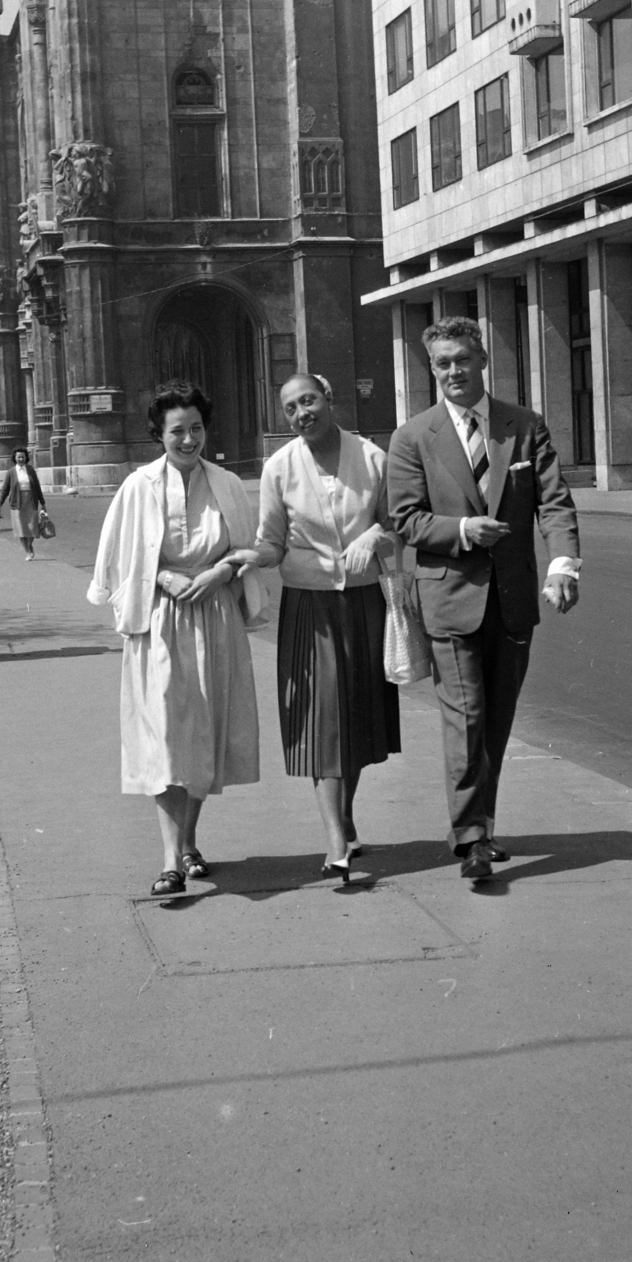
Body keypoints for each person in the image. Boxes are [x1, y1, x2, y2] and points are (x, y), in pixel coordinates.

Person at [387, 316, 581, 883]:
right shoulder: (412, 437)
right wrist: (464, 531)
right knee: (466, 715)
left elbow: (555, 501)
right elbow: (405, 519)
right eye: (442, 363)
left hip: (514, 599)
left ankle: (482, 824)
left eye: (462, 360)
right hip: (449, 599)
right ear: (432, 369)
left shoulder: (523, 426)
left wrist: (564, 563)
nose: (453, 371)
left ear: (482, 361)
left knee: (495, 720)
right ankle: (471, 837)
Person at [88, 381, 266, 897]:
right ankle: (169, 860)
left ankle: (189, 842)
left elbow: (247, 548)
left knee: (204, 731)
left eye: (195, 429)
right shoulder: (138, 486)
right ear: (158, 435)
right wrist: (164, 577)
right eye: (176, 431)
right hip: (159, 622)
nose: (188, 440)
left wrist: (220, 573)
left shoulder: (227, 484)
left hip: (214, 618)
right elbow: (121, 557)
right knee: (166, 733)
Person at [239, 373, 400, 884]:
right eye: (289, 408)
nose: (300, 413)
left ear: (329, 400)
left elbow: (398, 524)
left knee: (351, 715)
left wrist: (373, 536)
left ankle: (345, 817)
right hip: (310, 607)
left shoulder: (372, 458)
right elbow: (272, 542)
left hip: (362, 602)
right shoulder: (279, 467)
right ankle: (335, 839)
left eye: (307, 400)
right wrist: (250, 559)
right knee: (320, 717)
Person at [0, 447, 46, 560]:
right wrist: (0, 502)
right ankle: (27, 552)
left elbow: (37, 487)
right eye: (18, 457)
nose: (21, 459)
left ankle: (30, 544)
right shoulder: (11, 472)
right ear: (15, 458)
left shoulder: (30, 470)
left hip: (30, 500)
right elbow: (5, 489)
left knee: (33, 527)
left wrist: (42, 502)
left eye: (23, 457)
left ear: (26, 458)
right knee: (21, 529)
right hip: (17, 503)